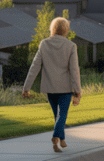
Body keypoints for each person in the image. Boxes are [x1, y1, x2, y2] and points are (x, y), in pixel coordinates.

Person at [22, 17, 82, 153]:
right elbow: (74, 70)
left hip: (50, 88)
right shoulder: (71, 46)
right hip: (65, 88)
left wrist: (26, 88)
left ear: (52, 28)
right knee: (62, 115)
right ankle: (55, 137)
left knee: (58, 115)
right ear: (66, 30)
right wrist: (78, 90)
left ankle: (62, 140)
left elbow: (34, 67)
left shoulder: (44, 44)